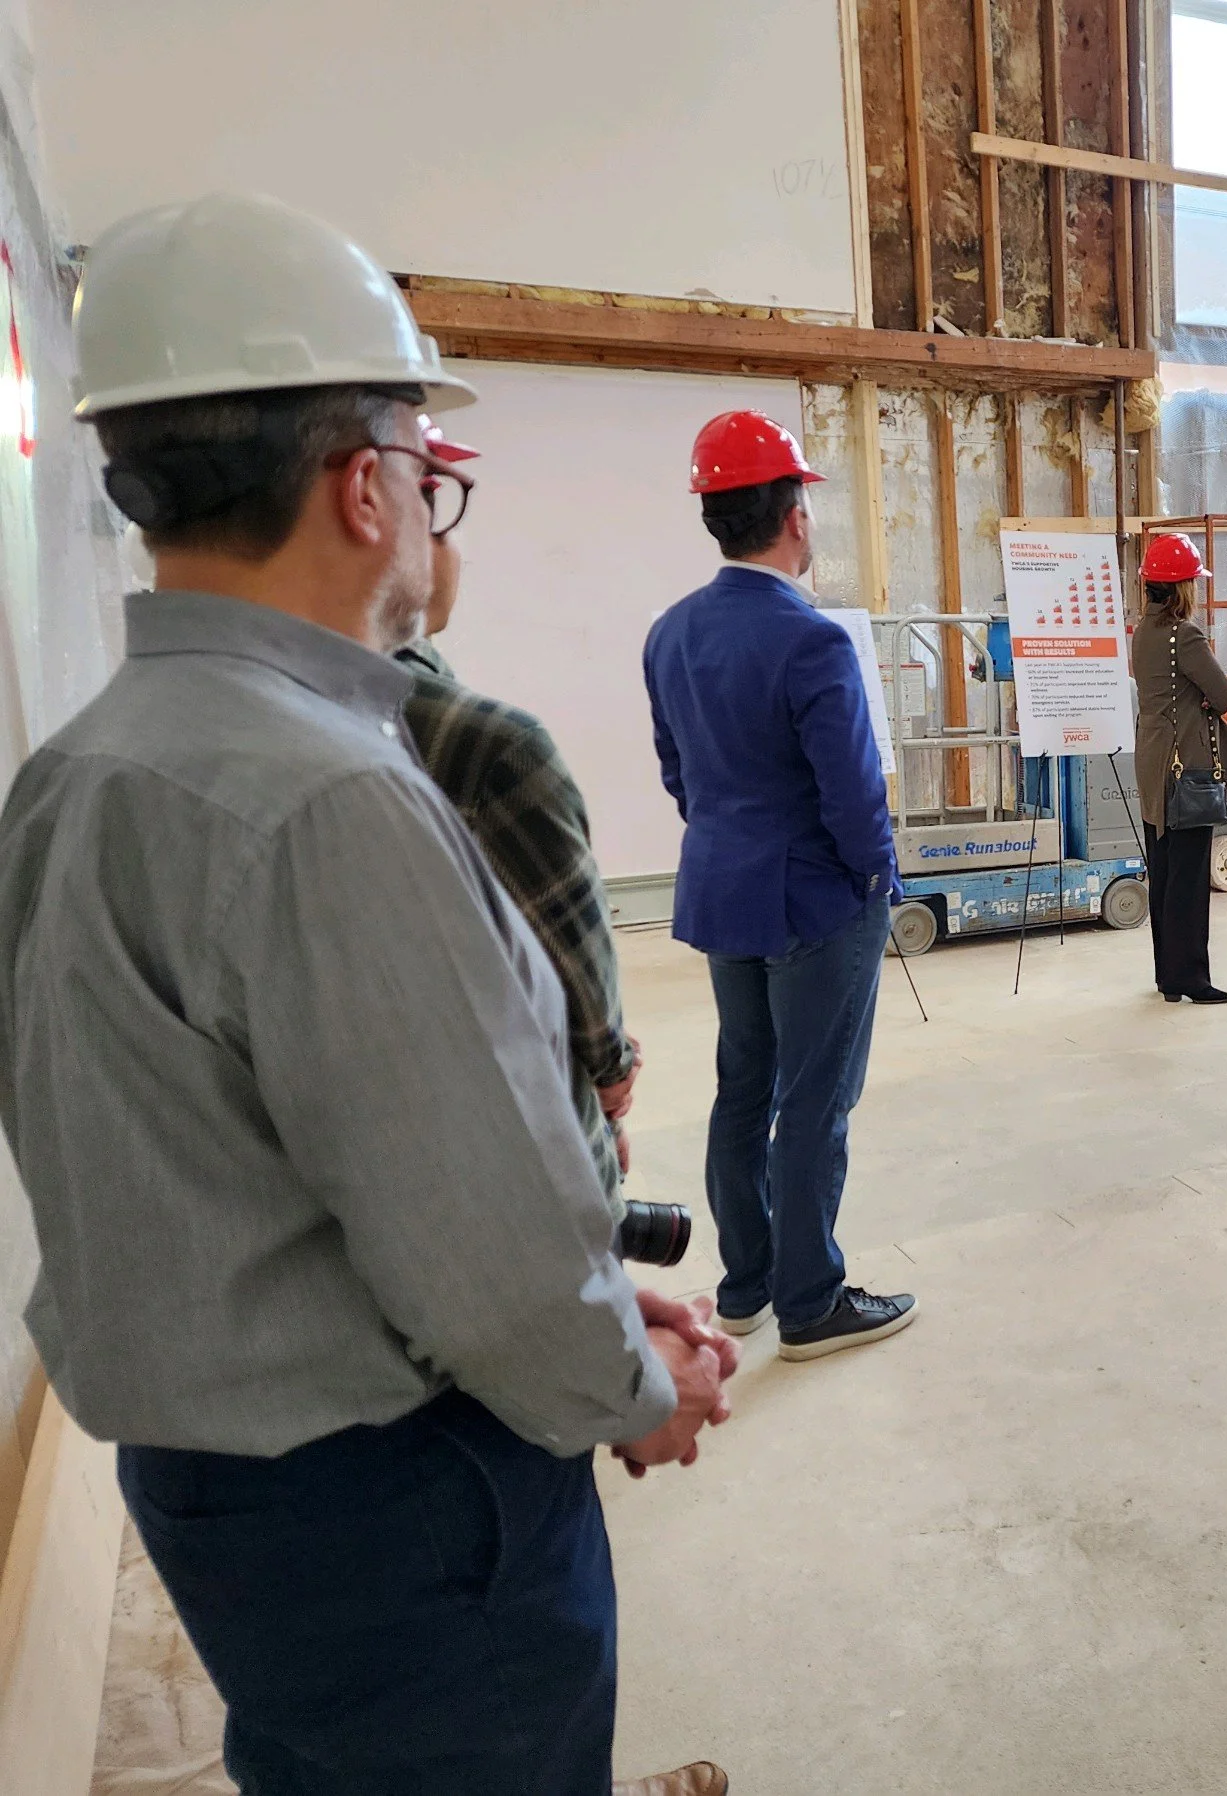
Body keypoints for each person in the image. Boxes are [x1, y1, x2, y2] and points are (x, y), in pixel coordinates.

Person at [0, 192, 732, 1796]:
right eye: (430, 472)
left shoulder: (75, 776)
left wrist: (594, 1300)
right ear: (363, 486)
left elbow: (227, 1191)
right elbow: (483, 1261)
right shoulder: (330, 799)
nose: (431, 509)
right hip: (404, 1509)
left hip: (225, 1494)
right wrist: (626, 1381)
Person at [645, 409, 916, 1361]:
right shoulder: (813, 640)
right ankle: (811, 1301)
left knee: (742, 1090)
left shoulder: (670, 632)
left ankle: (747, 1287)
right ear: (796, 515)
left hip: (725, 894)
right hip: (815, 902)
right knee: (814, 1100)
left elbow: (679, 775)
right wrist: (876, 874)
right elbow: (851, 792)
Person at [391, 426, 646, 1216]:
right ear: (385, 511)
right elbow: (568, 941)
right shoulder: (483, 746)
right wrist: (607, 1072)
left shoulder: (85, 765)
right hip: (505, 1149)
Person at [1130, 530, 1227, 1004]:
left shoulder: (1142, 631)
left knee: (1166, 872)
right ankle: (1191, 977)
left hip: (1153, 762)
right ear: (1183, 587)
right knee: (1191, 877)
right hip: (1186, 767)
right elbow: (1225, 696)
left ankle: (1167, 975)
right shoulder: (1186, 635)